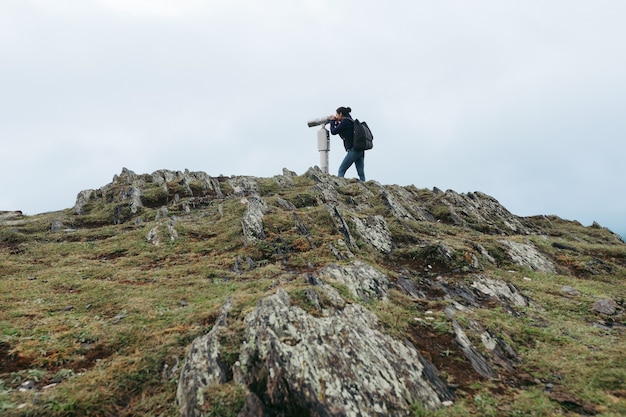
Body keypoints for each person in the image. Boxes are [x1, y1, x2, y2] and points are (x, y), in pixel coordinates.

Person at [329, 106, 365, 181]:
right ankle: (364, 187)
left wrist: (332, 122)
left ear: (341, 114)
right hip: (360, 150)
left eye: (337, 115)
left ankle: (340, 185)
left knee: (341, 170)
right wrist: (337, 123)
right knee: (361, 173)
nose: (336, 116)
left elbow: (333, 131)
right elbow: (341, 130)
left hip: (353, 150)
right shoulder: (350, 121)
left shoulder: (345, 122)